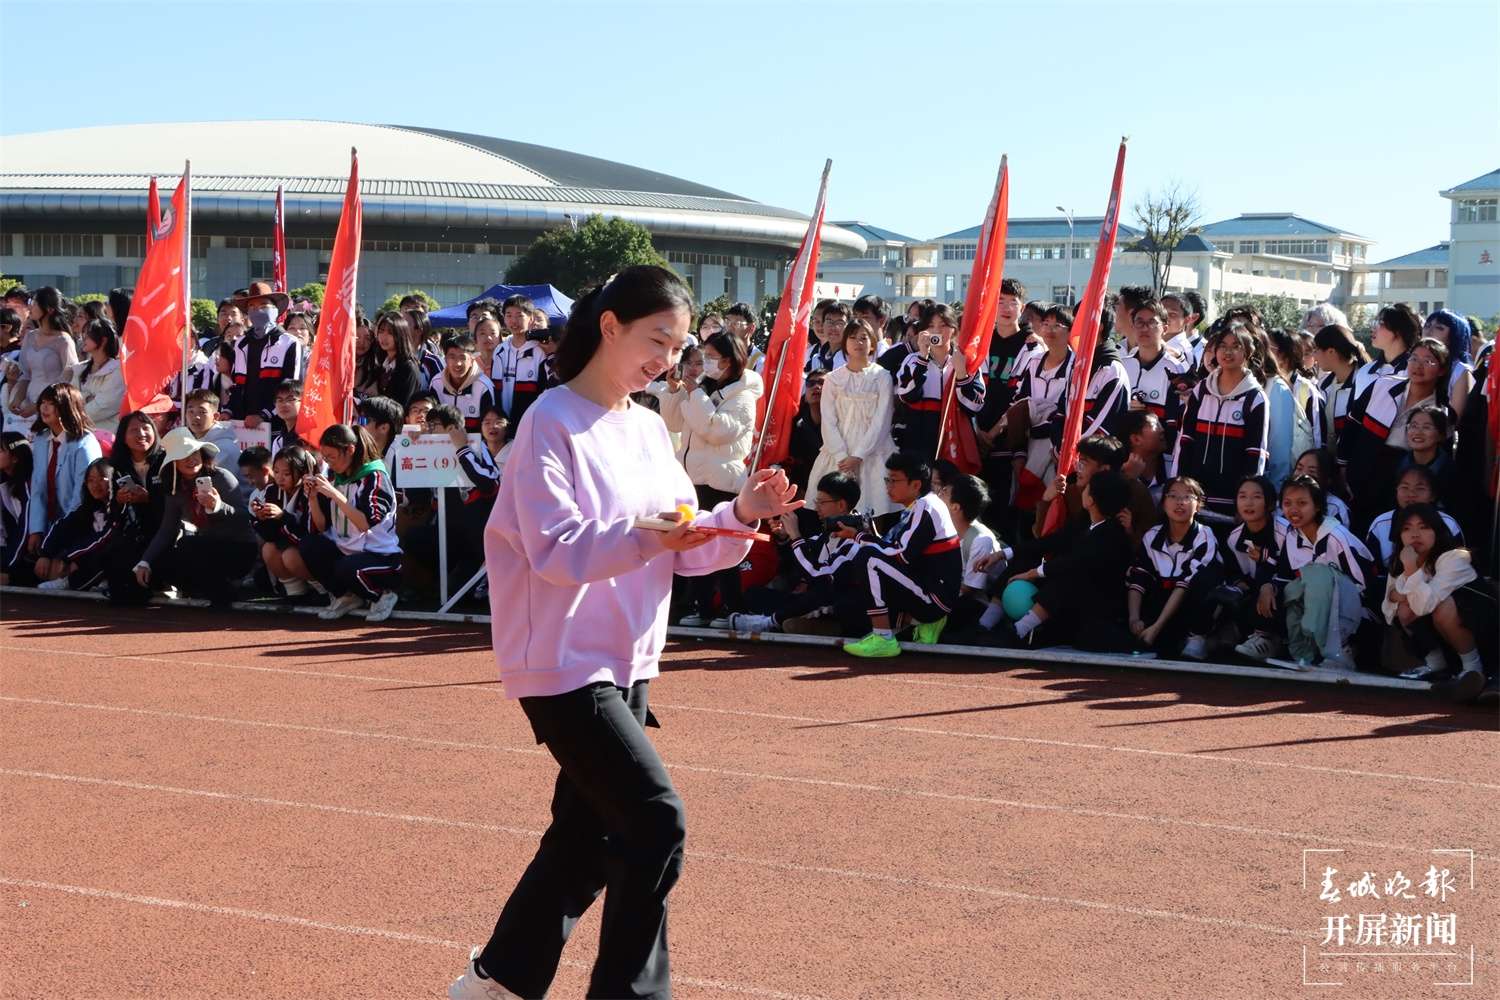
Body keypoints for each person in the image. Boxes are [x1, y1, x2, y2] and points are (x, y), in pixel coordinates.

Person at [448, 265, 798, 1000]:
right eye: (657, 339)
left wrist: (738, 513)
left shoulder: (647, 427)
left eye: (679, 347)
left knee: (584, 840)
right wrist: (648, 538)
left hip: (630, 658)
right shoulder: (550, 419)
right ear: (610, 327)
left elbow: (687, 538)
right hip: (563, 660)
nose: (669, 360)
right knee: (653, 821)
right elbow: (555, 547)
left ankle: (498, 982)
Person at [1235, 475, 1373, 669]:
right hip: (1318, 609)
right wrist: (1267, 587)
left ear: (1317, 506)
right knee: (1285, 591)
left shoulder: (1336, 537)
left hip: (1355, 613)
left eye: (1302, 503)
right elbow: (1283, 577)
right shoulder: (1292, 535)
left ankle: (1342, 650)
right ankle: (1300, 652)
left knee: (1318, 577)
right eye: (1287, 503)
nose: (1293, 510)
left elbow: (1364, 586)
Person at [674, 329, 764, 627]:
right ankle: (703, 609)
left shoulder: (744, 395)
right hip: (694, 477)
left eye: (710, 358)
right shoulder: (703, 388)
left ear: (728, 360)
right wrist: (676, 391)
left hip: (723, 480)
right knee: (697, 543)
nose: (705, 364)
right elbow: (675, 421)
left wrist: (695, 395)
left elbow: (716, 430)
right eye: (703, 357)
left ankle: (731, 608)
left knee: (725, 550)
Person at [994, 468, 1136, 651]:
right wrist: (1005, 553)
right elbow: (1053, 541)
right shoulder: (1086, 524)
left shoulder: (1111, 534)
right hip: (1074, 604)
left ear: (1091, 500)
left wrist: (1033, 574)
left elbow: (1076, 562)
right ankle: (988, 623)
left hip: (1096, 609)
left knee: (1069, 577)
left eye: (1088, 489)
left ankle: (1019, 631)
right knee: (1027, 559)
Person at [838, 452, 963, 656]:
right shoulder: (919, 507)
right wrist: (865, 534)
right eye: (888, 479)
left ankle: (883, 638)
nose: (888, 486)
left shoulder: (926, 507)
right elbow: (896, 549)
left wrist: (859, 536)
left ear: (915, 484)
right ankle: (896, 628)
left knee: (867, 558)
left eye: (894, 480)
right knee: (851, 605)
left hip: (934, 602)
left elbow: (901, 555)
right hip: (926, 591)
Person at [131, 427, 257, 606]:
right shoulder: (175, 488)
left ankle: (223, 593)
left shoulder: (222, 477)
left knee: (188, 545)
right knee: (161, 560)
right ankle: (206, 590)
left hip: (239, 548)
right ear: (174, 462)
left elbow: (245, 519)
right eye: (183, 456)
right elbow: (167, 530)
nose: (191, 459)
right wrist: (145, 562)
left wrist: (218, 506)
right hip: (207, 548)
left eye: (194, 453)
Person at [295, 423, 403, 622]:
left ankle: (382, 595)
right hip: (346, 551)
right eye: (324, 457)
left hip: (380, 557)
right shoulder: (335, 477)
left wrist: (334, 494)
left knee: (347, 566)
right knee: (310, 545)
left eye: (332, 457)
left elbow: (364, 524)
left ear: (350, 450)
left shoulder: (375, 477)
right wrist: (312, 498)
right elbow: (321, 527)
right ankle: (346, 596)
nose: (328, 462)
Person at [1381, 503, 1488, 699]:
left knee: (1442, 607)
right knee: (1404, 609)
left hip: (1484, 638)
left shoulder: (1455, 558)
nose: (1414, 534)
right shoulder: (1403, 560)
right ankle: (1436, 665)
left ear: (1437, 531)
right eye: (1407, 528)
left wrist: (1410, 574)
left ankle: (1474, 669)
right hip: (1445, 641)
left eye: (1423, 527)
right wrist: (1407, 582)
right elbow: (1389, 607)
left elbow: (1424, 604)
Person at [1170, 324, 1268, 516]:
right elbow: (1185, 440)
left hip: (1232, 502)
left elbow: (1256, 453)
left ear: (1249, 351)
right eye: (1223, 345)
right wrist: (1179, 485)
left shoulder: (1255, 398)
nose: (1227, 351)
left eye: (1236, 346)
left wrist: (1246, 502)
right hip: (1196, 499)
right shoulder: (1201, 390)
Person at [1125, 476, 1222, 660]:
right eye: (1173, 496)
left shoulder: (1205, 536)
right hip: (1164, 602)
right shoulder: (1152, 536)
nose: (1180, 502)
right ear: (1163, 503)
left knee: (1205, 580)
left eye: (1187, 497)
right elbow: (1139, 578)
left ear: (1199, 504)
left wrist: (1156, 628)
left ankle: (1200, 637)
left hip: (1189, 603)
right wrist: (1134, 618)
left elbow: (1184, 585)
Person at [807, 319, 897, 516]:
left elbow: (882, 419)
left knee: (875, 509)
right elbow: (828, 420)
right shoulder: (833, 378)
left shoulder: (882, 376)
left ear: (872, 343)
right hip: (839, 452)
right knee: (831, 509)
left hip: (873, 452)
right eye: (853, 337)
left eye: (864, 338)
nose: (858, 342)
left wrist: (859, 455)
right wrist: (841, 456)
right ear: (845, 342)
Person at [894, 303, 984, 459]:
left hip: (955, 443)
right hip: (918, 443)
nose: (936, 331)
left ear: (954, 330)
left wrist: (962, 374)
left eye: (943, 325)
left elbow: (975, 406)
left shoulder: (966, 362)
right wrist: (922, 358)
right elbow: (906, 395)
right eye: (930, 326)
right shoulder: (912, 360)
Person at [26, 383, 102, 560]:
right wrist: (36, 530)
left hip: (79, 525)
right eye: (42, 402)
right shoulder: (41, 439)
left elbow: (82, 496)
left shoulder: (85, 442)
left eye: (52, 403)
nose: (44, 407)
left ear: (67, 406)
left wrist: (57, 536)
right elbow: (38, 488)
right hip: (49, 526)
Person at [34, 458, 121, 591]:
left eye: (102, 479)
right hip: (87, 558)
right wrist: (45, 554)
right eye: (90, 480)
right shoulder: (88, 508)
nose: (95, 485)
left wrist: (70, 557)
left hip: (112, 559)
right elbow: (61, 526)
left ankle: (73, 582)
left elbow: (104, 538)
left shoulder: (120, 507)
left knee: (106, 554)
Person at [227, 281, 302, 426]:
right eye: (252, 307)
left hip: (278, 424)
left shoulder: (289, 343)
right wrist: (228, 411)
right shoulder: (241, 344)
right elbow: (236, 385)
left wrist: (264, 415)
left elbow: (292, 389)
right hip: (243, 423)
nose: (257, 311)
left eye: (263, 306)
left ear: (275, 310)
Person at [251, 445, 318, 600]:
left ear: (302, 473)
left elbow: (311, 532)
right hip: (288, 542)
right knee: (268, 548)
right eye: (276, 471)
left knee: (290, 555)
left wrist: (283, 516)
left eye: (287, 473)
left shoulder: (312, 491)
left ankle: (323, 590)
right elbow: (269, 535)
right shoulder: (272, 491)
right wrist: (261, 517)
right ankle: (294, 590)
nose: (280, 478)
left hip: (310, 547)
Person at [1122, 300, 1190, 446]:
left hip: (1161, 456)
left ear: (1165, 328)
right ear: (1133, 326)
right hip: (1122, 450)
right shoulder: (1122, 366)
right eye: (1139, 322)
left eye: (1152, 323)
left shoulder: (1177, 370)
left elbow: (1180, 422)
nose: (1145, 328)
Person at [1263, 328, 1324, 486]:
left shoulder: (1306, 390)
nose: (1263, 353)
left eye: (1269, 348)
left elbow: (1317, 437)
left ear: (1285, 355)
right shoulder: (1264, 384)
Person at [8, 287, 80, 420]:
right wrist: (17, 399)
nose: (30, 307)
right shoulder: (30, 336)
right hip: (28, 405)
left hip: (53, 409)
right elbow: (26, 375)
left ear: (49, 309)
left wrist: (38, 405)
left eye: (35, 303)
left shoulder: (63, 340)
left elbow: (68, 379)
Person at [491, 294, 548, 429]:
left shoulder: (539, 351)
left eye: (519, 315)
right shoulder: (499, 351)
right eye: (509, 315)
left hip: (530, 425)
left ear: (531, 318)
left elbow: (543, 393)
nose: (513, 321)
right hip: (502, 427)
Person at [1312, 324, 1371, 445]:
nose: (1314, 356)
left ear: (1331, 352)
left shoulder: (1365, 383)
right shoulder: (1323, 384)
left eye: (1316, 350)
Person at [431, 330, 496, 433]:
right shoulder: (436, 383)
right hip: (442, 444)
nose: (458, 363)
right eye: (452, 357)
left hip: (476, 445)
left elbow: (489, 426)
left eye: (463, 358)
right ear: (445, 359)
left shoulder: (483, 386)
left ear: (471, 360)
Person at [70, 319, 125, 427]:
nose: (83, 338)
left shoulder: (118, 370)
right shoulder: (80, 369)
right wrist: (89, 396)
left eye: (89, 334)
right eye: (83, 333)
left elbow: (103, 406)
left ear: (103, 340)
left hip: (106, 435)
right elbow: (70, 399)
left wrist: (80, 401)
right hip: (80, 430)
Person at [372, 311, 424, 408]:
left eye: (390, 333)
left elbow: (403, 406)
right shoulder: (382, 364)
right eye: (381, 331)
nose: (384, 337)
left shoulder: (408, 367)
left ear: (400, 334)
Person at [182, 388, 241, 472]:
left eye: (202, 412)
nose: (195, 417)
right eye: (191, 411)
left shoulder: (224, 447)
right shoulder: (187, 439)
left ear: (216, 416)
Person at [0, 433, 33, 584]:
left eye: (1, 451)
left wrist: (7, 567)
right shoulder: (4, 482)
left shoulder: (27, 485)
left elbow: (24, 530)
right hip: (10, 548)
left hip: (29, 554)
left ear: (15, 458)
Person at [1289, 447, 1352, 526]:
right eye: (1299, 468)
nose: (1303, 474)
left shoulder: (1335, 508)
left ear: (1328, 479)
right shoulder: (1286, 500)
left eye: (1312, 471)